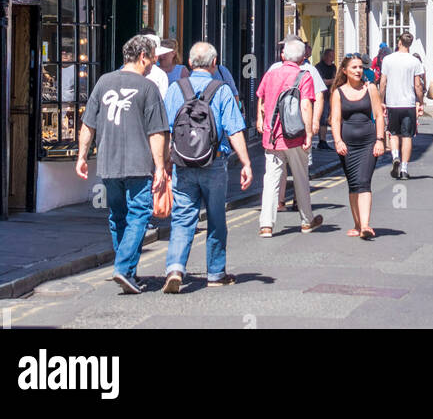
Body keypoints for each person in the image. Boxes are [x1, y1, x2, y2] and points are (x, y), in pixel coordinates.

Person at [76, 34, 168, 294]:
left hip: (108, 163)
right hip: (138, 164)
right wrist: (160, 166)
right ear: (142, 57)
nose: (153, 64)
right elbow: (157, 132)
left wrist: (82, 157)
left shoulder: (104, 82)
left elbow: (88, 125)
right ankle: (123, 267)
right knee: (139, 214)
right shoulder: (148, 87)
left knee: (118, 217)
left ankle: (129, 273)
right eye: (151, 58)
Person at [162, 41, 253, 292]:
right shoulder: (222, 90)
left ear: (190, 63)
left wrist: (163, 164)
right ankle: (215, 273)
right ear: (214, 63)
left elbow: (166, 130)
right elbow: (234, 130)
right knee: (216, 218)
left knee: (182, 217)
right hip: (214, 162)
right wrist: (246, 162)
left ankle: (175, 268)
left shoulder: (175, 89)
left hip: (182, 162)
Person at [257, 37, 323, 237]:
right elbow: (305, 105)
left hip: (273, 136)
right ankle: (306, 220)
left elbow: (261, 99)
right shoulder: (304, 76)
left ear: (282, 55)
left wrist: (260, 121)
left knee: (271, 180)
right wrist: (309, 134)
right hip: (295, 135)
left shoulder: (271, 74)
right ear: (303, 57)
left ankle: (266, 225)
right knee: (301, 178)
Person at [330, 54, 385, 240]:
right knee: (353, 184)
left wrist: (380, 140)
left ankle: (366, 225)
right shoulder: (338, 92)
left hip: (368, 142)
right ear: (345, 70)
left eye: (360, 67)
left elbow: (379, 115)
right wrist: (338, 141)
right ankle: (357, 224)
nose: (358, 70)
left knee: (363, 182)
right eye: (354, 67)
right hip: (347, 145)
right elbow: (335, 120)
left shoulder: (371, 89)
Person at [379, 32, 424, 181]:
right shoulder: (414, 61)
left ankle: (395, 156)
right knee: (407, 136)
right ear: (410, 44)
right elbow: (418, 85)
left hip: (392, 103)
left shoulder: (387, 59)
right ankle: (404, 169)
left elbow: (383, 83)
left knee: (393, 133)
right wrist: (421, 101)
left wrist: (381, 100)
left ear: (399, 42)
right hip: (409, 103)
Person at [314, 46, 336, 148]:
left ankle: (325, 141)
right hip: (321, 96)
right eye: (331, 56)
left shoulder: (333, 67)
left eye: (333, 56)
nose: (332, 58)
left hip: (331, 95)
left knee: (328, 118)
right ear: (325, 56)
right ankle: (321, 141)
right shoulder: (318, 67)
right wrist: (333, 81)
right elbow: (321, 82)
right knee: (322, 118)